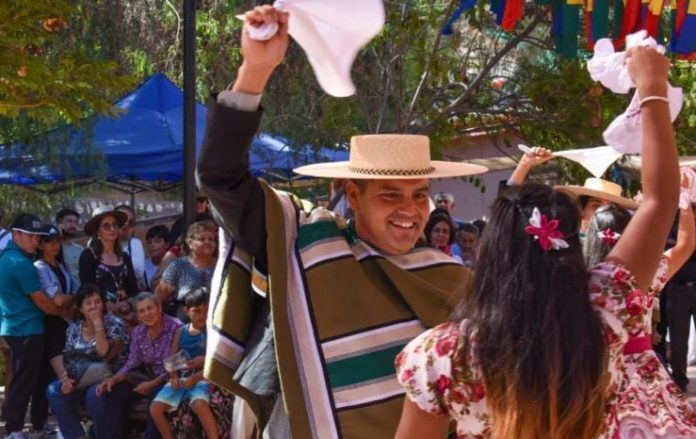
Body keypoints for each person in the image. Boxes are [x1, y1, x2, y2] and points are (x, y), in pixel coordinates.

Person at [195, 6, 484, 438]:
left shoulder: (449, 276)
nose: (410, 210)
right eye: (390, 194)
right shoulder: (304, 241)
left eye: (419, 195)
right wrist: (255, 69)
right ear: (354, 194)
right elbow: (220, 177)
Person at [394, 47, 681, 438]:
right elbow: (659, 201)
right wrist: (652, 88)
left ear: (492, 250)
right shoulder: (605, 309)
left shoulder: (440, 355)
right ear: (570, 244)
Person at [0, 213, 65, 439]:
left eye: (37, 237)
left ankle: (27, 427)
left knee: (26, 380)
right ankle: (14, 431)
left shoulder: (7, 256)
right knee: (22, 383)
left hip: (17, 328)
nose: (35, 241)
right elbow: (44, 303)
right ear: (15, 234)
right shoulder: (20, 263)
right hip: (26, 329)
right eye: (29, 236)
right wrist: (64, 312)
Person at [46, 284, 130, 439]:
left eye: (97, 301)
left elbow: (105, 353)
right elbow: (70, 360)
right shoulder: (74, 329)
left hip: (112, 378)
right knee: (54, 390)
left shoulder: (115, 324)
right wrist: (66, 380)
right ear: (81, 309)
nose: (93, 306)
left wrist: (98, 324)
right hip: (81, 379)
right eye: (88, 303)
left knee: (95, 394)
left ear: (103, 304)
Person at [96, 292, 182, 439]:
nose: (147, 314)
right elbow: (132, 362)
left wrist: (151, 384)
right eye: (142, 311)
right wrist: (113, 380)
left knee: (156, 395)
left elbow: (177, 366)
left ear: (159, 308)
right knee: (112, 392)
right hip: (147, 376)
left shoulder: (176, 328)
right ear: (138, 316)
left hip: (171, 379)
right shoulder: (138, 331)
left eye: (150, 308)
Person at [150, 288, 218, 439]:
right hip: (181, 378)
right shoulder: (181, 332)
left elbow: (216, 362)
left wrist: (195, 378)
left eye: (206, 311)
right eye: (197, 311)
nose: (202, 316)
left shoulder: (212, 332)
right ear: (187, 311)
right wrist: (173, 377)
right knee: (155, 409)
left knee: (200, 404)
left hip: (203, 377)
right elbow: (171, 360)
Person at [34, 224, 79, 426]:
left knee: (63, 372)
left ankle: (58, 421)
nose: (54, 245)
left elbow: (74, 294)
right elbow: (59, 300)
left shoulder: (60, 267)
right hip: (50, 326)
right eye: (49, 242)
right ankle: (38, 422)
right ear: (41, 244)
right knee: (49, 374)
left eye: (56, 241)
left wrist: (70, 299)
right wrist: (71, 299)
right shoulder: (39, 267)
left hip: (66, 325)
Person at [79, 207, 139, 325]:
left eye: (115, 225)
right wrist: (111, 307)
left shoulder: (125, 256)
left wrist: (128, 304)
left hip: (127, 314)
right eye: (106, 226)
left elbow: (133, 289)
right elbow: (88, 290)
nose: (112, 229)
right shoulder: (88, 256)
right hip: (100, 317)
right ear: (97, 231)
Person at [154, 221, 216, 321]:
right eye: (202, 239)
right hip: (186, 322)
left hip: (216, 320)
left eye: (211, 239)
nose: (207, 242)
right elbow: (159, 296)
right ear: (190, 243)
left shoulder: (223, 265)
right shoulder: (178, 266)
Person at [115, 204, 147, 290]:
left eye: (130, 222)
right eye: (122, 220)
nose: (126, 224)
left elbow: (138, 272)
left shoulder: (135, 243)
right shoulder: (98, 243)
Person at [56, 208, 84, 284]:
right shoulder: (53, 249)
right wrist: (58, 234)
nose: (73, 225)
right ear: (60, 223)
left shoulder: (79, 250)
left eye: (75, 222)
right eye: (69, 221)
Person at [144, 224, 170, 291]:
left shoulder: (173, 265)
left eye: (157, 241)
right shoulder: (143, 266)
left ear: (167, 244)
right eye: (149, 242)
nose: (152, 245)